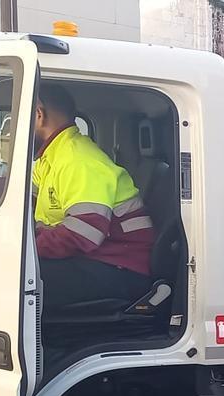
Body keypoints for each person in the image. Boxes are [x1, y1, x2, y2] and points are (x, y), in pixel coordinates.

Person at [31, 83, 154, 310]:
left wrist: (26, 248)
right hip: (96, 258)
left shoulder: (79, 160)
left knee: (17, 282)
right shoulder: (52, 157)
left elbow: (83, 233)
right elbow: (24, 198)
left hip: (119, 268)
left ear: (38, 115)